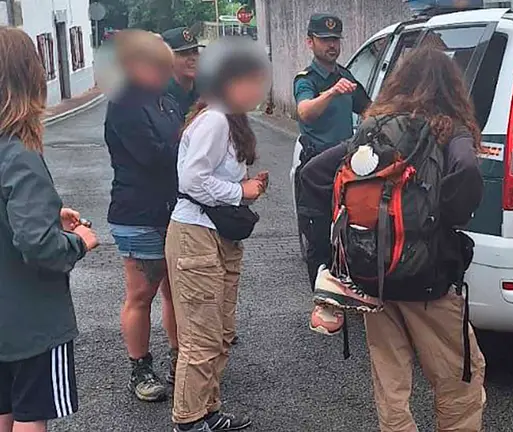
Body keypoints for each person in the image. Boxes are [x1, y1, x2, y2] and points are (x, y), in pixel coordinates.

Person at [300, 47, 486, 431]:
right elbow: (467, 169)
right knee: (459, 379)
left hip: (374, 277)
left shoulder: (373, 129)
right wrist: (443, 217)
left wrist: (345, 228)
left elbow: (314, 174)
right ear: (452, 86)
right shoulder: (449, 129)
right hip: (429, 279)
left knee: (391, 383)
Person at [165, 37, 270, 432]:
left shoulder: (230, 119)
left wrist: (246, 185)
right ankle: (189, 421)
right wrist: (238, 191)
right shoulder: (216, 119)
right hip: (196, 235)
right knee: (202, 337)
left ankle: (208, 410)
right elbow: (191, 178)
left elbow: (212, 174)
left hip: (216, 236)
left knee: (221, 333)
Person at [0, 26, 99, 432]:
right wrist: (77, 242)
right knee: (30, 412)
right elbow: (36, 244)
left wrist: (47, 214)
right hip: (30, 319)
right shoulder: (19, 151)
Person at [104, 29, 182, 402]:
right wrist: (189, 151)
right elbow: (152, 155)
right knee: (141, 293)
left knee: (175, 291)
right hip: (138, 213)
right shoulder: (124, 105)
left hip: (172, 208)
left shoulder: (165, 101)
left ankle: (181, 358)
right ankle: (140, 368)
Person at [294, 13, 371, 287]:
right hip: (316, 171)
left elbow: (370, 109)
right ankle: (322, 297)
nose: (332, 45)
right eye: (325, 39)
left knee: (351, 232)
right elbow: (305, 112)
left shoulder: (346, 76)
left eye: (335, 40)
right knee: (318, 238)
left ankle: (349, 286)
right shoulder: (307, 79)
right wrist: (331, 93)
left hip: (346, 169)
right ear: (310, 42)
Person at [163, 27, 204, 117]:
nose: (193, 58)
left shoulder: (206, 92)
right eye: (184, 53)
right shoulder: (159, 98)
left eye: (195, 51)